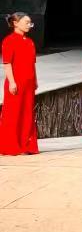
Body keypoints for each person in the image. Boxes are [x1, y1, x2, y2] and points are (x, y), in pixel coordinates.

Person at [0, 13, 38, 156]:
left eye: (30, 23)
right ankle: (11, 146)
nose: (29, 25)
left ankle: (27, 145)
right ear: (16, 23)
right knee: (13, 114)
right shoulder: (9, 41)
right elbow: (7, 63)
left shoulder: (29, 42)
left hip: (29, 83)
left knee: (27, 114)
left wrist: (35, 80)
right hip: (16, 82)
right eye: (26, 22)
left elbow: (32, 63)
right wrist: (12, 82)